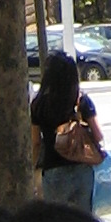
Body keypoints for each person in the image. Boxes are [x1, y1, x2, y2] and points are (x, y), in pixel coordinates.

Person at [29, 52, 103, 212]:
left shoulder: (39, 104)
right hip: (82, 170)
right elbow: (98, 135)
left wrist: (32, 168)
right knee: (82, 221)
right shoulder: (82, 101)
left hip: (53, 170)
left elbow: (35, 143)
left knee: (57, 221)